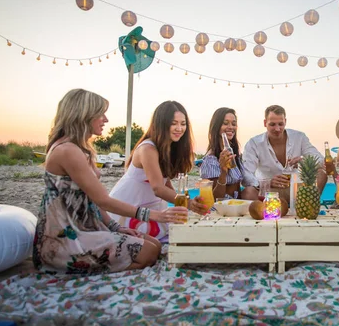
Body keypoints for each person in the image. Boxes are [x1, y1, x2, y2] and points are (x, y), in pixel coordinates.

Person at [34, 89, 187, 274]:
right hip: (66, 235)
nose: (105, 119)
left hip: (89, 225)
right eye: (101, 114)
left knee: (153, 244)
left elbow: (91, 200)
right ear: (84, 114)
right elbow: (103, 200)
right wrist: (153, 215)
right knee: (149, 252)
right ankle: (78, 268)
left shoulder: (81, 149)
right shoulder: (67, 151)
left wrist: (116, 227)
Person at [109, 101, 208, 241]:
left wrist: (185, 200)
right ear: (161, 124)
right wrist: (189, 203)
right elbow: (158, 188)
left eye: (183, 123)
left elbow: (165, 183)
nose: (179, 128)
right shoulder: (147, 149)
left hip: (151, 207)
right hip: (129, 210)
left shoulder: (168, 148)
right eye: (174, 123)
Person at [242, 105, 326, 202]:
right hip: (268, 192)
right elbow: (246, 175)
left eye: (280, 124)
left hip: (297, 190)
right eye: (272, 124)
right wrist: (268, 182)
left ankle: (310, 206)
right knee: (247, 192)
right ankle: (262, 212)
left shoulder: (299, 137)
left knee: (321, 173)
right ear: (265, 123)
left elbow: (320, 160)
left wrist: (304, 160)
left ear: (285, 121)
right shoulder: (254, 143)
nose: (277, 129)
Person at [200, 107, 254, 199]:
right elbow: (216, 197)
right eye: (225, 123)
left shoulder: (234, 153)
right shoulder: (211, 159)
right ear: (216, 126)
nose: (231, 127)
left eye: (234, 124)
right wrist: (223, 172)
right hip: (222, 207)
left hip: (236, 205)